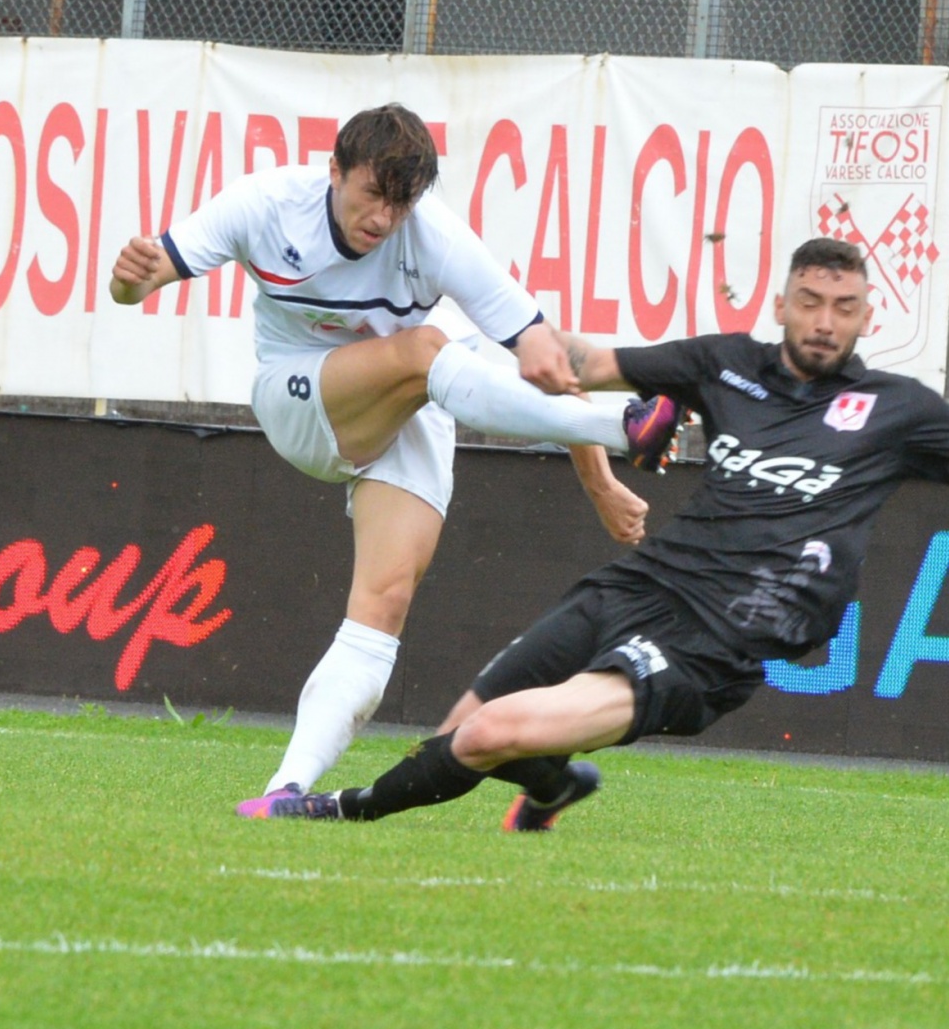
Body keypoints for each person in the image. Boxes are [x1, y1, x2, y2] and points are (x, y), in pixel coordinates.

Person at [248, 236, 949, 832]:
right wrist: (494, 342)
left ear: (868, 314)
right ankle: (552, 788)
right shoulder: (724, 366)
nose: (824, 323)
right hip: (640, 583)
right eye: (809, 303)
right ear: (782, 302)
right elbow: (581, 360)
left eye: (844, 308)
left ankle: (333, 810)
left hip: (718, 638)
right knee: (469, 726)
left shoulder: (896, 410)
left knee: (489, 731)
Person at [108, 103, 682, 815]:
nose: (383, 217)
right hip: (300, 400)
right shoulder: (265, 204)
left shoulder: (433, 234)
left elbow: (539, 358)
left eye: (401, 201)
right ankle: (627, 429)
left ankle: (281, 791)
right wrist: (129, 280)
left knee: (384, 602)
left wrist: (596, 483)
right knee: (427, 352)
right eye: (372, 193)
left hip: (405, 407)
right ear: (334, 172)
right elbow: (139, 280)